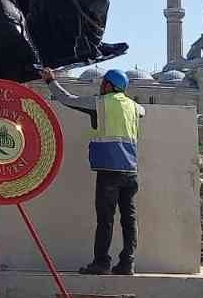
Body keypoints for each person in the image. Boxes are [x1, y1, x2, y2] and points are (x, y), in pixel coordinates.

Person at [40, 67, 146, 275]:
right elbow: (144, 111)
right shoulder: (134, 107)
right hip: (130, 172)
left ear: (109, 85)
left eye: (103, 83)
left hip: (108, 171)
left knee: (105, 219)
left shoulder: (101, 104)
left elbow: (67, 99)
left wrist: (51, 81)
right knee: (129, 219)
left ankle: (101, 263)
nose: (100, 86)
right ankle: (127, 263)